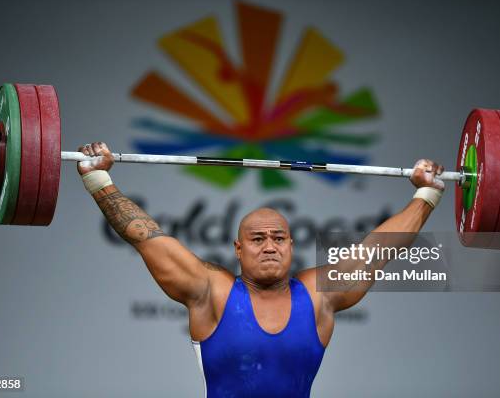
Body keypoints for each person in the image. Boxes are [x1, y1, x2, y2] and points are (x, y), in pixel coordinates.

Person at [77, 142, 445, 398]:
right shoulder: (213, 292)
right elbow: (147, 238)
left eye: (279, 238)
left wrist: (426, 194)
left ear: (291, 246)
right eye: (257, 239)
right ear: (238, 248)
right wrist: (99, 181)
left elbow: (377, 251)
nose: (269, 246)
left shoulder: (319, 296)